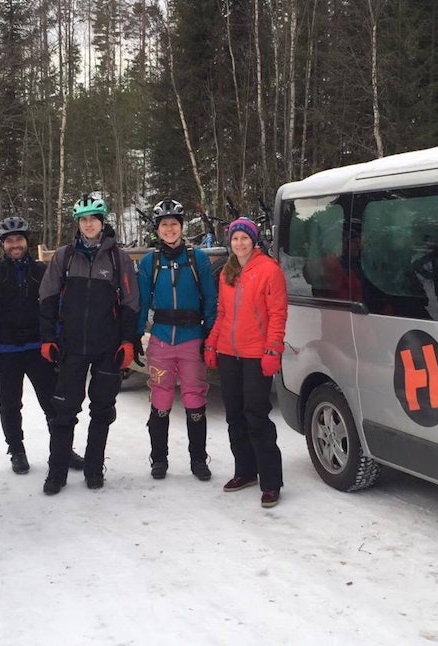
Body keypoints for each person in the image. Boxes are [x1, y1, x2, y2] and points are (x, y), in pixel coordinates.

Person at [38, 195, 139, 494]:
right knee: (64, 411)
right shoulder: (65, 256)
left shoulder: (117, 258)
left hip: (107, 348)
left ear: (102, 221)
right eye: (83, 219)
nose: (88, 224)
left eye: (93, 218)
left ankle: (94, 469)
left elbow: (131, 303)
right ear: (78, 224)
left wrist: (128, 341)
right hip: (71, 347)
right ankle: (56, 472)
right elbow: (47, 297)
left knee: (102, 409)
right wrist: (47, 338)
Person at [0, 217, 82, 474]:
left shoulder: (41, 270)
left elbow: (55, 305)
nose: (15, 245)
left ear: (26, 242)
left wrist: (57, 338)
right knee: (10, 404)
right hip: (6, 349)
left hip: (39, 347)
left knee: (53, 403)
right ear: (3, 244)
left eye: (19, 240)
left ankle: (63, 450)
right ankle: (17, 451)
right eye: (10, 241)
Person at [204, 217, 287, 509]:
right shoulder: (228, 272)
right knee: (234, 414)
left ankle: (271, 481)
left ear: (254, 240)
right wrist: (212, 342)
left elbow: (277, 314)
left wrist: (272, 350)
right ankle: (245, 471)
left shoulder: (269, 270)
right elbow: (222, 313)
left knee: (256, 415)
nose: (239, 243)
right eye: (235, 239)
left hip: (256, 355)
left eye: (244, 238)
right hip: (229, 353)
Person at [136, 198, 218, 480]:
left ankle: (198, 460)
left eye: (174, 224)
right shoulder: (150, 261)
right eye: (164, 225)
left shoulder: (198, 259)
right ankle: (159, 459)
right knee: (160, 399)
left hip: (192, 337)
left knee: (195, 399)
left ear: (181, 228)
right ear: (157, 230)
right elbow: (141, 300)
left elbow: (211, 298)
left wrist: (210, 334)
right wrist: (136, 336)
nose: (169, 229)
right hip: (161, 339)